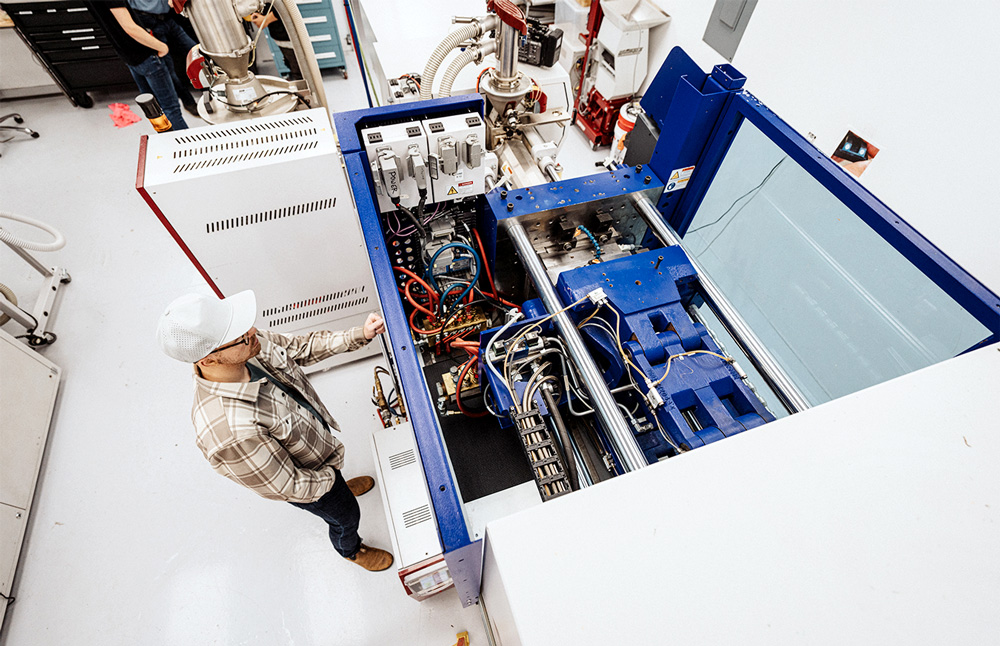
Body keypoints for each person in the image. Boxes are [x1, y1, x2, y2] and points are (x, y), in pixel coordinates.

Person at [156, 290, 394, 571]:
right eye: (240, 335)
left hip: (319, 455)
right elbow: (287, 485)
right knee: (345, 516)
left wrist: (360, 334)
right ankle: (351, 549)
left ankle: (339, 484)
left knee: (338, 486)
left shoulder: (246, 345)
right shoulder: (229, 433)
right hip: (311, 487)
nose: (253, 331)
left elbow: (300, 347)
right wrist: (330, 483)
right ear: (208, 360)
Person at [84, 0, 188, 130]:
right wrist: (161, 47)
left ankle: (168, 141)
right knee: (171, 109)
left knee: (153, 108)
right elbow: (130, 28)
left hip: (128, 56)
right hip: (145, 55)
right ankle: (184, 144)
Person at [127, 0, 201, 117]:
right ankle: (189, 102)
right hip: (148, 21)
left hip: (168, 18)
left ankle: (211, 93)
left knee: (197, 52)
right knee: (169, 71)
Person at [249, 5, 302, 80]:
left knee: (299, 67)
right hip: (278, 33)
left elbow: (288, 6)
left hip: (288, 33)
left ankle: (300, 83)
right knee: (290, 62)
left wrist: (266, 19)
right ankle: (296, 78)